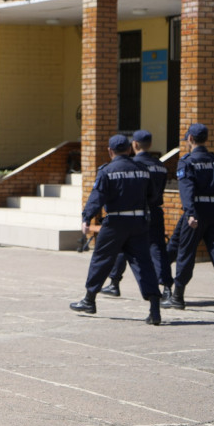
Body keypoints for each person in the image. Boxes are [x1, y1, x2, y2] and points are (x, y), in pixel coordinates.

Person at [68, 134, 163, 324]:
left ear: (110, 151)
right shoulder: (143, 170)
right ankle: (154, 308)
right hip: (138, 222)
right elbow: (153, 197)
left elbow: (97, 197)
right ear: (129, 149)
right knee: (143, 263)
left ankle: (89, 300)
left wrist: (86, 218)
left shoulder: (107, 170)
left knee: (101, 260)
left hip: (115, 223)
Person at [163, 123, 214, 314]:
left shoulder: (187, 161)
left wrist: (190, 212)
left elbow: (186, 190)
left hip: (197, 211)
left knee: (186, 253)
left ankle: (178, 296)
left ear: (190, 139)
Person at [100, 130, 173, 298]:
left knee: (123, 247)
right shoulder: (160, 165)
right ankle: (167, 287)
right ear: (150, 144)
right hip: (155, 211)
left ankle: (114, 282)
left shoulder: (133, 165)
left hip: (136, 213)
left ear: (134, 145)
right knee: (158, 248)